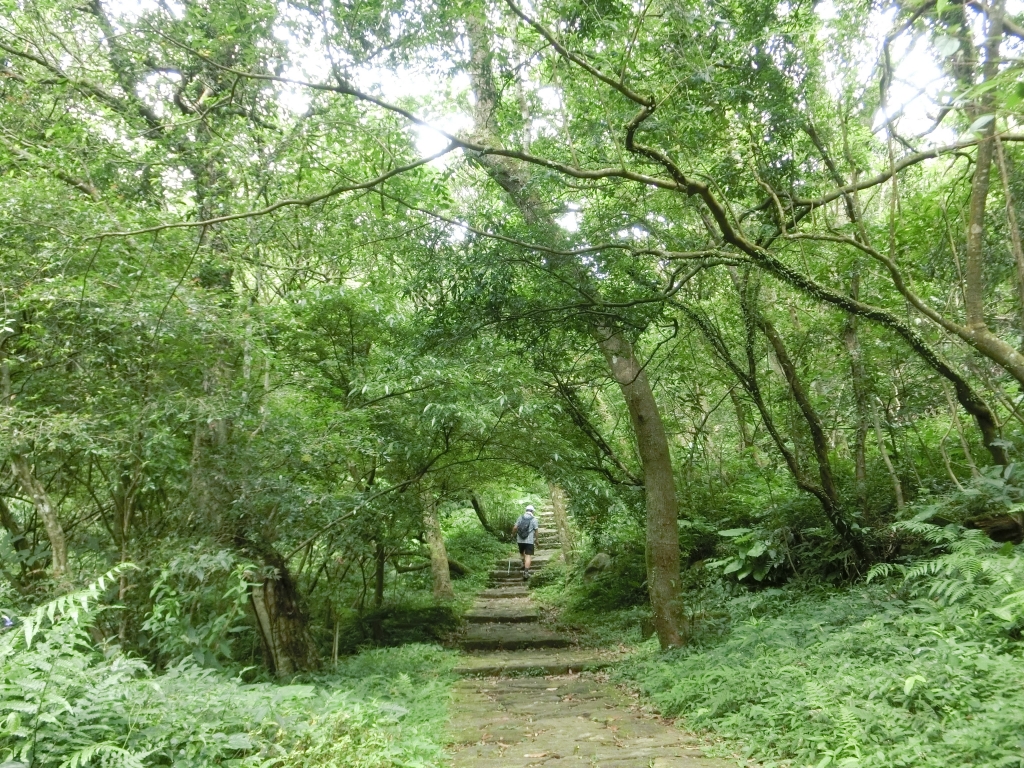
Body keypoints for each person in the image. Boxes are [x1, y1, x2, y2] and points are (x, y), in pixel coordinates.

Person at [511, 504, 539, 580]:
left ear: (526, 510)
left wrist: (512, 534)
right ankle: (526, 572)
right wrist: (536, 540)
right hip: (529, 541)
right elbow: (536, 530)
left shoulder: (520, 517)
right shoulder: (534, 519)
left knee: (522, 553)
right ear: (532, 511)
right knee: (528, 556)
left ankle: (524, 563)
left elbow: (515, 527)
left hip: (520, 540)